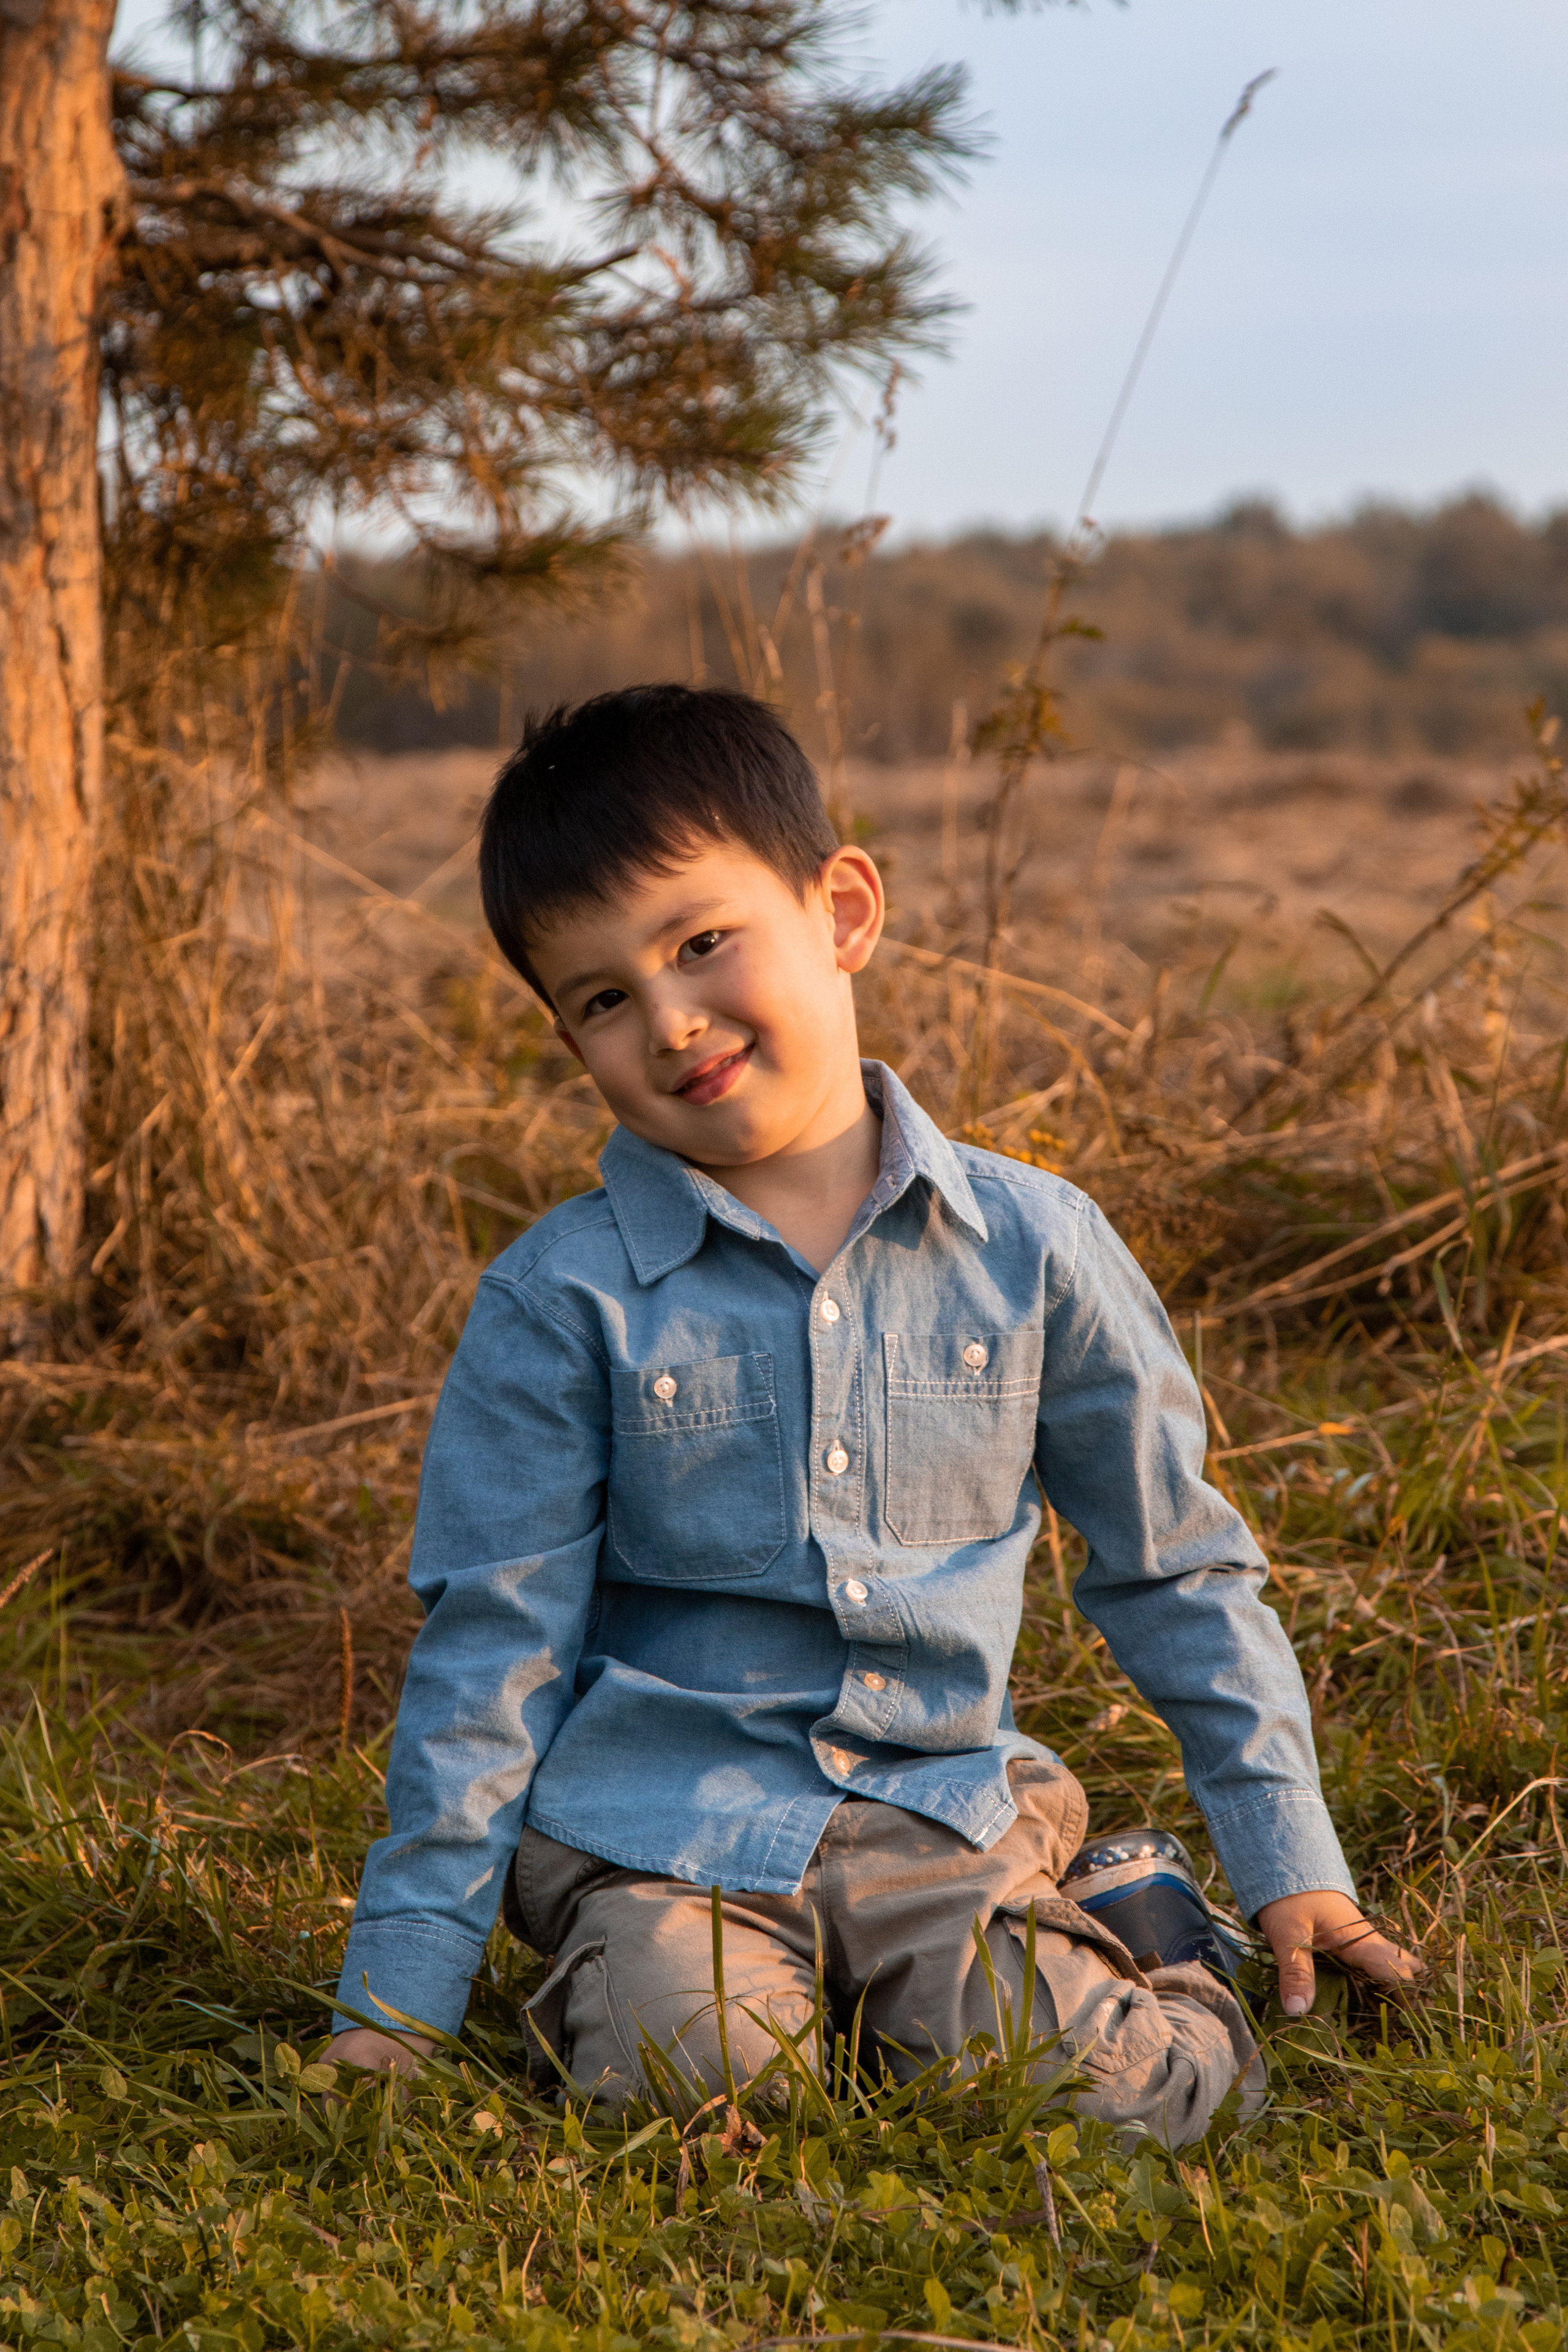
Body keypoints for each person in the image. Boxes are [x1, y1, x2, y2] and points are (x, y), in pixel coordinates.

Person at [325, 685, 1419, 2143]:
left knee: (1116, 2107)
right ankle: (692, 1993)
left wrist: (1292, 1862)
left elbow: (1174, 1566)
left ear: (840, 910)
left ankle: (1142, 1928)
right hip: (662, 1840)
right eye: (601, 998)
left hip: (944, 1821)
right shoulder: (559, 1301)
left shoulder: (1035, 1247)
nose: (670, 1021)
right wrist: (393, 2005)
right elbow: (492, 1652)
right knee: (685, 2083)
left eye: (700, 942)